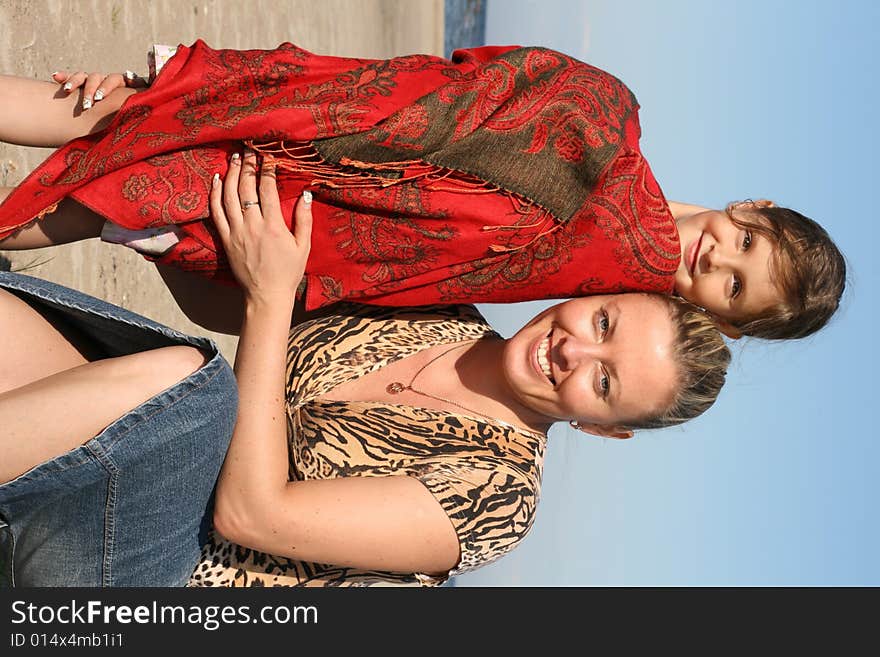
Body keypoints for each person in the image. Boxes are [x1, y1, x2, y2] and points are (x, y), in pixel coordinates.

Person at [0, 41, 844, 341]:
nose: (718, 259)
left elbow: (444, 275)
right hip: (326, 118)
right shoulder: (608, 116)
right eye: (747, 244)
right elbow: (437, 84)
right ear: (754, 208)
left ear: (726, 321)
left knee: (93, 200)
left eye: (736, 289)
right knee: (94, 110)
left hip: (303, 207)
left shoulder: (615, 289)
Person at [191, 152, 731, 587]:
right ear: (595, 292)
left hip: (178, 582)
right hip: (169, 429)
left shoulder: (500, 495)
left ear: (601, 428)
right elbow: (241, 299)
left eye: (604, 382)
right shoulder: (440, 306)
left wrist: (268, 295)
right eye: (604, 323)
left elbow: (252, 515)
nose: (575, 353)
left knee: (179, 376)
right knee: (179, 372)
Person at [0, 270, 237, 586]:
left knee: (190, 394)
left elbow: (250, 518)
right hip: (170, 486)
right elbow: (211, 306)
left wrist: (268, 297)